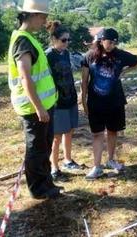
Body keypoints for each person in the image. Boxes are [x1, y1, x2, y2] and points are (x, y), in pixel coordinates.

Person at [8, 0, 61, 199]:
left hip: (44, 105)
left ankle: (47, 183)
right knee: (36, 150)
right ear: (33, 16)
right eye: (44, 17)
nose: (45, 22)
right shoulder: (23, 41)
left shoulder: (29, 38)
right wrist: (39, 108)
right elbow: (25, 77)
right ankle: (39, 190)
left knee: (44, 146)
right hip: (33, 108)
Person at [81, 28, 137, 179]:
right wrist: (83, 100)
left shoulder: (120, 55)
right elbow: (84, 81)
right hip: (95, 102)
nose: (112, 45)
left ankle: (110, 160)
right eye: (109, 42)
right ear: (101, 40)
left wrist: (125, 71)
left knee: (112, 131)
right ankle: (96, 167)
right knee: (97, 134)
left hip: (115, 101)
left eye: (115, 42)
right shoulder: (89, 56)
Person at [45, 21, 82, 182]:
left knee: (70, 131)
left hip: (70, 99)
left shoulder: (66, 54)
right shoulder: (48, 56)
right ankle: (54, 168)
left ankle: (67, 160)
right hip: (57, 103)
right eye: (63, 40)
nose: (66, 43)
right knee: (56, 137)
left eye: (68, 40)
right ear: (54, 39)